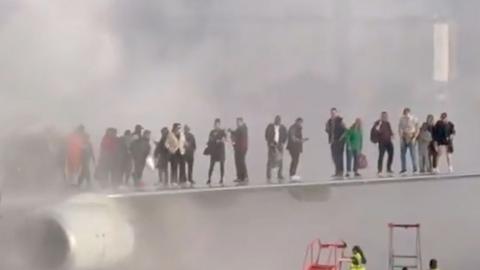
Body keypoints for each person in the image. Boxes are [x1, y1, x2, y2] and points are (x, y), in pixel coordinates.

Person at [265, 115, 288, 183]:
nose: (277, 121)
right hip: (272, 145)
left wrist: (282, 142)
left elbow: (286, 136)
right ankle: (268, 175)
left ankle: (279, 174)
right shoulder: (270, 126)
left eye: (279, 120)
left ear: (280, 121)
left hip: (279, 145)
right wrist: (269, 142)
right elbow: (266, 135)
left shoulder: (283, 127)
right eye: (276, 120)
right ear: (274, 120)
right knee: (270, 160)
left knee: (280, 160)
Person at [326, 108, 347, 177]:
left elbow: (346, 130)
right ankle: (337, 171)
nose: (332, 114)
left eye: (334, 113)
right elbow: (327, 129)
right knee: (334, 156)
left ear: (336, 113)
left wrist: (341, 138)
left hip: (339, 141)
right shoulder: (329, 121)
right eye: (331, 113)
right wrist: (328, 130)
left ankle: (340, 171)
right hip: (332, 141)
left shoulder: (340, 120)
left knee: (339, 157)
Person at [371, 112, 394, 176]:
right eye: (384, 116)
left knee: (391, 154)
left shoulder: (387, 123)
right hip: (382, 142)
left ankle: (388, 168)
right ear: (381, 116)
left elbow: (390, 130)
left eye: (386, 116)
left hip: (388, 141)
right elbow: (375, 130)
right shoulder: (378, 122)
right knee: (381, 156)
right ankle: (379, 170)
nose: (385, 117)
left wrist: (392, 134)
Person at [398, 108, 419, 174]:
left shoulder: (414, 119)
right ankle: (404, 169)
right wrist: (401, 137)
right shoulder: (401, 119)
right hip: (404, 136)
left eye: (407, 113)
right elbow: (400, 128)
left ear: (409, 113)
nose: (406, 115)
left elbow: (417, 128)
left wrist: (414, 137)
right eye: (405, 113)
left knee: (413, 154)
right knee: (402, 154)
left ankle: (415, 169)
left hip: (411, 136)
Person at [206, 119, 227, 185]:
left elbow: (225, 139)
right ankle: (209, 179)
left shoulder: (222, 131)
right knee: (211, 166)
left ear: (219, 124)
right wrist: (210, 142)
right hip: (214, 151)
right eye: (215, 124)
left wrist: (221, 140)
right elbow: (210, 139)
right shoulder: (212, 132)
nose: (216, 125)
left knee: (222, 165)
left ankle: (221, 179)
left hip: (221, 151)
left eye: (217, 124)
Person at [230, 117, 249, 184]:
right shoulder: (240, 128)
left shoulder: (243, 128)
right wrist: (231, 131)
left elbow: (236, 133)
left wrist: (231, 132)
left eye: (238, 122)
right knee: (238, 162)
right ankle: (240, 177)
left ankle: (245, 177)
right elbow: (235, 133)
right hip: (238, 148)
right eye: (236, 122)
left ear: (241, 122)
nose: (237, 124)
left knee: (241, 162)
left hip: (242, 148)